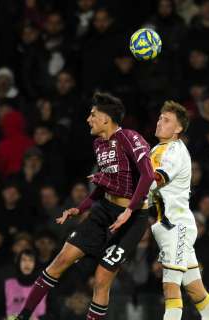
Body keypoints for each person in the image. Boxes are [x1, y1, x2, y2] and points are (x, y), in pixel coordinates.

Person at [13, 92, 154, 320]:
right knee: (60, 260)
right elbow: (103, 186)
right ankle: (22, 317)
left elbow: (148, 176)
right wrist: (80, 208)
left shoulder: (129, 137)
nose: (89, 119)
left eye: (93, 115)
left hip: (132, 219)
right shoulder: (98, 144)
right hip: (105, 212)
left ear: (106, 119)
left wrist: (129, 210)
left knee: (101, 279)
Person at [148, 101, 209, 320]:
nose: (160, 122)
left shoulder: (175, 151)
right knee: (196, 292)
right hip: (170, 225)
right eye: (160, 118)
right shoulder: (156, 150)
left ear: (178, 129)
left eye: (167, 120)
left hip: (176, 226)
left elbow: (155, 181)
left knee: (170, 291)